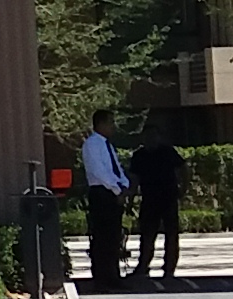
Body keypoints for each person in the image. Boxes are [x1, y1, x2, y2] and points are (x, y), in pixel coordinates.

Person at [79, 111, 132, 288]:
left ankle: (113, 275)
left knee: (114, 236)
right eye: (110, 122)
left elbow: (115, 169)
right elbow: (99, 172)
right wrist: (116, 190)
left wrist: (124, 185)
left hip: (113, 192)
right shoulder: (92, 144)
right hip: (102, 192)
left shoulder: (107, 145)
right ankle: (102, 278)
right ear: (100, 124)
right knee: (102, 236)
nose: (113, 126)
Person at [130, 133, 186, 284]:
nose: (151, 140)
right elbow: (134, 178)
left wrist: (183, 187)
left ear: (159, 138)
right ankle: (143, 265)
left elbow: (182, 168)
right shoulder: (139, 155)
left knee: (171, 234)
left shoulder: (168, 152)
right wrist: (131, 198)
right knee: (147, 234)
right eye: (148, 138)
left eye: (154, 137)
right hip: (149, 198)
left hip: (168, 197)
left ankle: (169, 268)